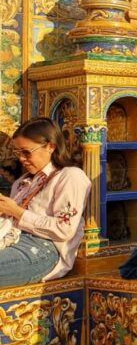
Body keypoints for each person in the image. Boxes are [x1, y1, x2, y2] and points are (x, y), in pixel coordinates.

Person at [0, 117, 89, 287]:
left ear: (50, 146)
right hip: (10, 238)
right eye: (17, 153)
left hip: (43, 250)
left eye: (26, 152)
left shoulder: (70, 176)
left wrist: (16, 212)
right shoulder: (22, 183)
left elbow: (64, 229)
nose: (21, 159)